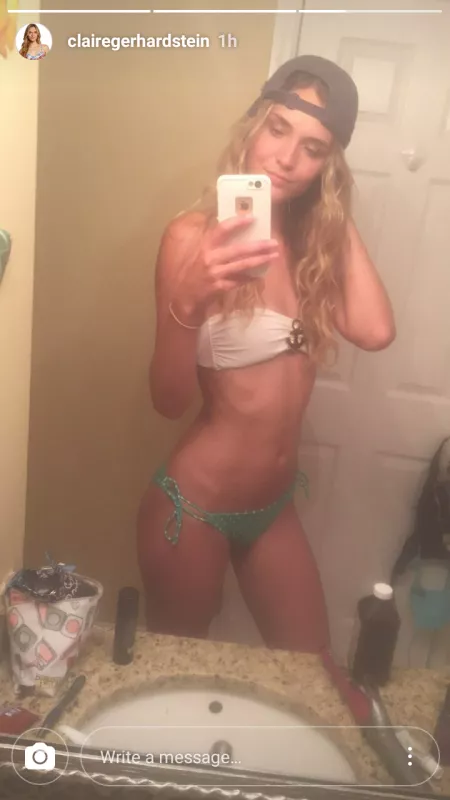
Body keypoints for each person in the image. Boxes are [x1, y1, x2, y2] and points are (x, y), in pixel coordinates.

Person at [136, 55, 396, 653]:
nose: (286, 158)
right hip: (192, 509)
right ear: (254, 126)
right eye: (278, 129)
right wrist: (188, 301)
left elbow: (375, 330)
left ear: (328, 164)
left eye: (313, 148)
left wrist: (331, 208)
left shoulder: (312, 248)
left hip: (273, 509)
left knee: (311, 676)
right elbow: (168, 401)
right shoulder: (191, 239)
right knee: (178, 675)